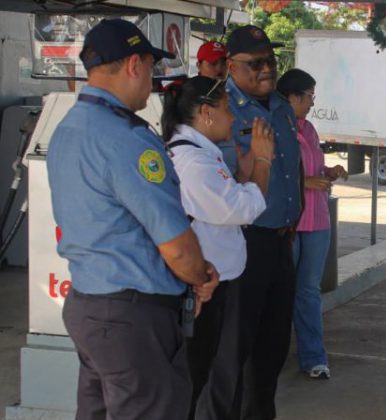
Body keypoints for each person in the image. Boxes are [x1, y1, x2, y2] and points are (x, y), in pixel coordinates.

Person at [47, 19, 219, 419]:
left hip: (88, 307)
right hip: (132, 317)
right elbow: (177, 247)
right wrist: (200, 276)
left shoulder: (68, 128)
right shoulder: (127, 139)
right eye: (151, 67)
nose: (153, 80)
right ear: (134, 65)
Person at [161, 76, 275, 419]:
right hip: (203, 286)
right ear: (206, 113)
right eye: (227, 108)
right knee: (197, 376)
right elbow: (244, 209)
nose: (233, 118)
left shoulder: (200, 155)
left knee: (206, 371)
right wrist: (263, 161)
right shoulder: (195, 163)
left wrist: (243, 177)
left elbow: (222, 205)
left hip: (215, 280)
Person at [222, 25, 302, 420]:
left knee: (273, 348)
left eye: (271, 60)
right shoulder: (221, 109)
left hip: (281, 241)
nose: (267, 69)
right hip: (243, 242)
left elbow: (293, 167)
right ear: (231, 66)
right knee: (234, 351)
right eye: (255, 64)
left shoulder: (283, 108)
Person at [277, 68, 348, 380]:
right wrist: (304, 182)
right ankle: (272, 355)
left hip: (317, 220)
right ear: (292, 97)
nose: (311, 103)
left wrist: (329, 172)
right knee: (282, 290)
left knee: (308, 290)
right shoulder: (274, 127)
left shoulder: (309, 128)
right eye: (309, 97)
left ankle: (314, 357)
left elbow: (314, 168)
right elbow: (268, 176)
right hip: (290, 221)